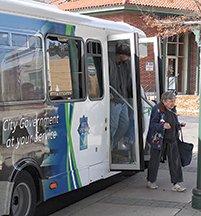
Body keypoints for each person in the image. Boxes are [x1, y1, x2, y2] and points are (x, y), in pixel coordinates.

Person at [146, 91, 186, 192]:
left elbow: (173, 122)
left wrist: (178, 125)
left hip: (172, 139)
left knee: (175, 161)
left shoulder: (173, 109)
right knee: (155, 160)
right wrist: (162, 126)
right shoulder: (157, 109)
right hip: (159, 139)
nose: (172, 103)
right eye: (170, 101)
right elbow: (152, 125)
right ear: (163, 101)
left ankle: (176, 184)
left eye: (173, 101)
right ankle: (151, 181)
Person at [109, 42, 132, 150]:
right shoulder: (109, 63)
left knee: (124, 124)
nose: (128, 59)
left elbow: (128, 81)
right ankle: (108, 148)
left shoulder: (125, 65)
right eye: (127, 56)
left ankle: (112, 145)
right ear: (121, 55)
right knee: (113, 126)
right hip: (114, 99)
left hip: (123, 99)